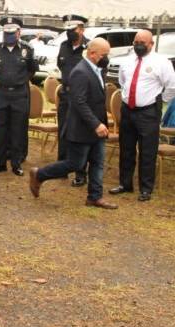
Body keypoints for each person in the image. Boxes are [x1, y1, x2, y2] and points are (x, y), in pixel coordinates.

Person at [29, 38, 117, 209]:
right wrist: (95, 124)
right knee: (75, 164)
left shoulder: (98, 69)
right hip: (82, 127)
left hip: (97, 127)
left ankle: (94, 197)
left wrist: (101, 123)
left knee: (98, 162)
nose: (107, 58)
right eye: (104, 55)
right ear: (92, 54)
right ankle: (40, 174)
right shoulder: (81, 72)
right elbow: (79, 102)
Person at [109, 30, 175, 202]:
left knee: (147, 151)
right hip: (128, 110)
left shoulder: (161, 62)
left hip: (148, 112)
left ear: (151, 44)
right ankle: (125, 184)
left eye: (142, 42)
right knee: (126, 148)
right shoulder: (128, 60)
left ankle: (146, 189)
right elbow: (123, 81)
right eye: (136, 41)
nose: (138, 44)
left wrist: (158, 101)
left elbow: (171, 86)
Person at [0, 17, 38, 176]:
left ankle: (16, 164)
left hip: (19, 94)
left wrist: (20, 81)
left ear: (19, 32)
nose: (9, 35)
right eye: (6, 32)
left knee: (18, 130)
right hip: (2, 93)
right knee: (0, 129)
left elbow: (32, 70)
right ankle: (0, 163)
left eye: (12, 32)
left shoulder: (27, 49)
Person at [58, 14, 90, 187]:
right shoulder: (63, 46)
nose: (70, 33)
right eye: (67, 30)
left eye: (73, 30)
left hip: (81, 97)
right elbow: (61, 66)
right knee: (63, 131)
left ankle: (80, 172)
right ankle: (62, 167)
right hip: (65, 95)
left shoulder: (90, 47)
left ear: (81, 29)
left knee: (79, 134)